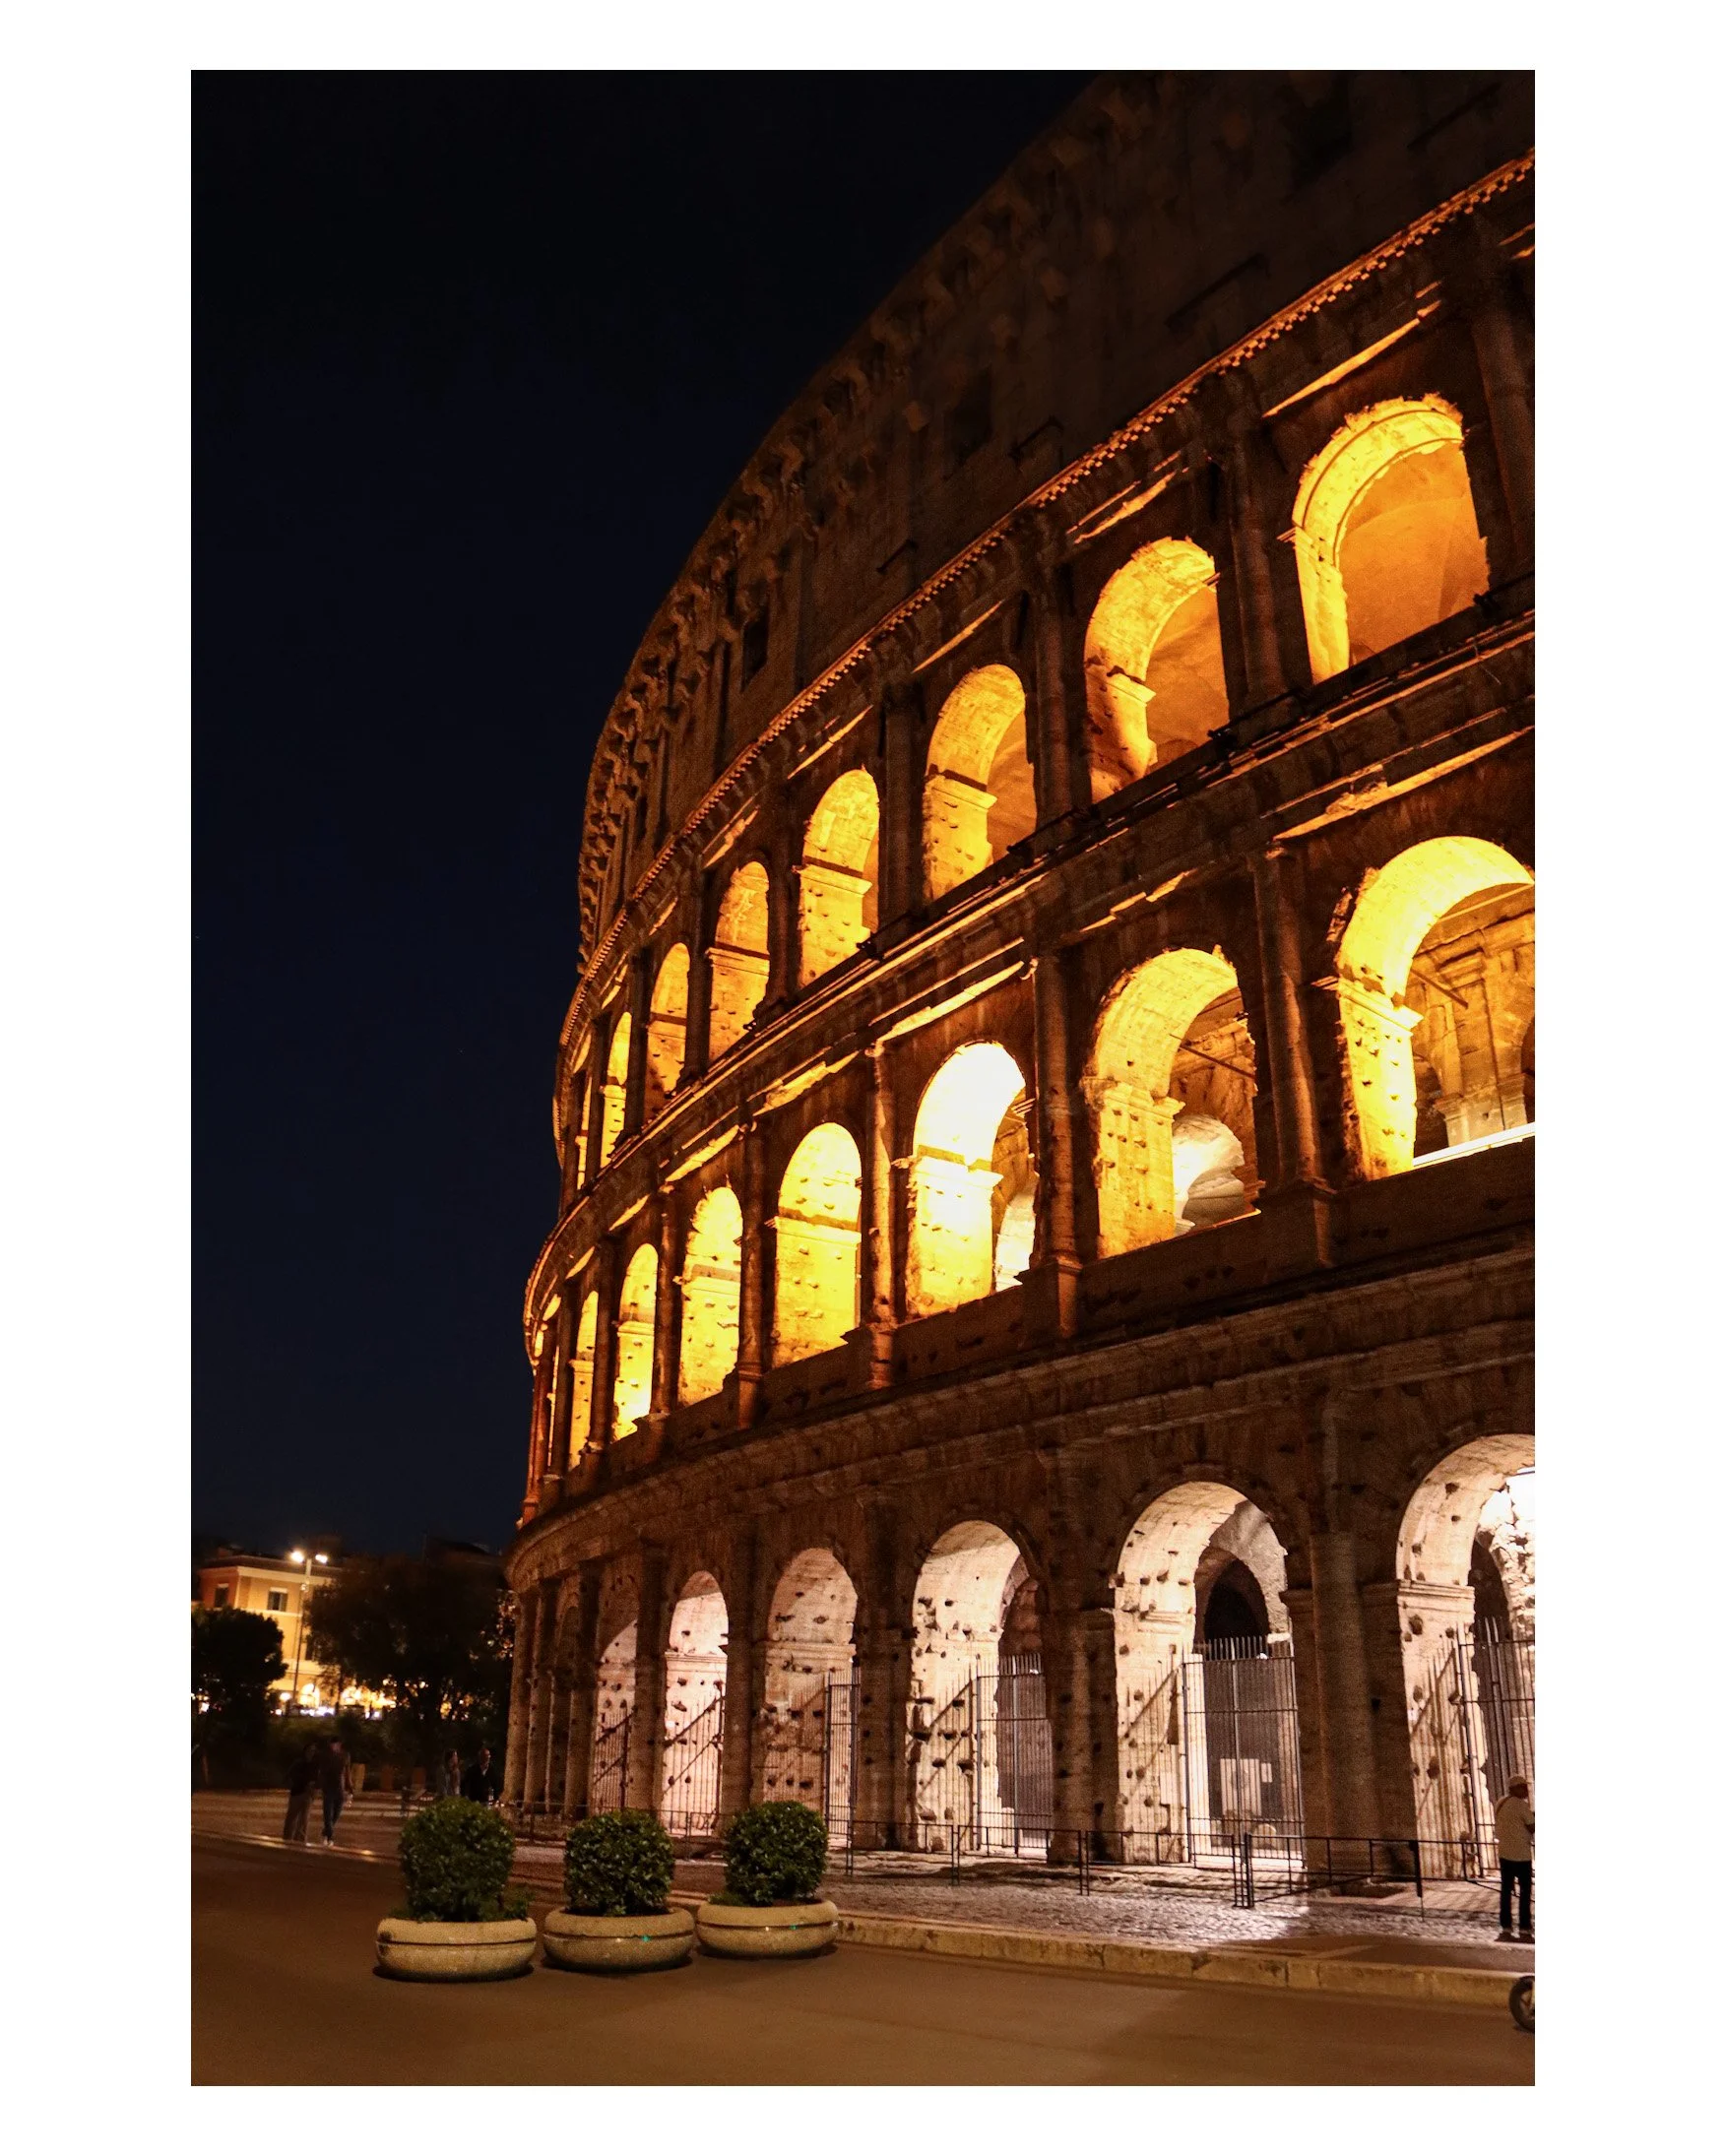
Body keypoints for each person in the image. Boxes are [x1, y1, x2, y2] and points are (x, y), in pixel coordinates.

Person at [1494, 1774, 1534, 1941]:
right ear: (1514, 1788)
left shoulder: (1501, 1803)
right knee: (1524, 1893)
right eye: (1522, 1787)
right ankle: (1524, 1928)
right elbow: (1532, 1826)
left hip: (1504, 1853)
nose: (1526, 1790)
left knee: (1506, 1892)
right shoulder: (1521, 1805)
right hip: (1521, 1855)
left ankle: (1506, 1926)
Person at [317, 1738, 353, 1846]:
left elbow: (347, 1772)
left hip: (340, 1789)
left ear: (340, 1744)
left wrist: (350, 1788)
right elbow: (321, 1772)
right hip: (328, 1788)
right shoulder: (325, 1756)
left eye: (336, 1744)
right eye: (332, 1744)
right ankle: (330, 1837)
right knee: (328, 1814)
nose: (334, 1746)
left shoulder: (345, 1755)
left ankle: (326, 1832)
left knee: (336, 1814)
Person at [282, 1743, 318, 1843]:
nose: (312, 1753)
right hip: (297, 1793)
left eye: (314, 1751)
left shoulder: (314, 1765)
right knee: (291, 1818)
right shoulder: (298, 1763)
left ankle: (300, 1841)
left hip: (308, 1794)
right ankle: (287, 1839)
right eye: (310, 1750)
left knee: (304, 1820)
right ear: (305, 1751)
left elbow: (317, 1778)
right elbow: (290, 1775)